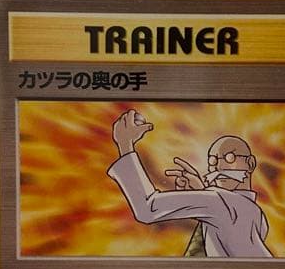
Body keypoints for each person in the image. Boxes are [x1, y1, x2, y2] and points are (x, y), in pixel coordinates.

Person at [107, 108, 272, 258]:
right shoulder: (256, 215)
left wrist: (125, 145)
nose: (219, 166)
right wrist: (201, 191)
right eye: (213, 162)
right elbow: (226, 223)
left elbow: (147, 208)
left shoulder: (221, 201)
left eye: (230, 158)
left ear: (250, 163)